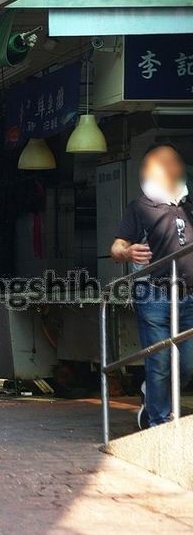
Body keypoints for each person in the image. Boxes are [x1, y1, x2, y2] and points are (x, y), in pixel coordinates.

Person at [111, 143, 193, 428]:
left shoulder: (188, 206)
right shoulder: (140, 207)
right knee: (159, 361)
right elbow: (116, 247)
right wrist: (127, 252)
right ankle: (158, 421)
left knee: (186, 364)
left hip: (189, 295)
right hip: (153, 294)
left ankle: (152, 396)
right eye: (164, 163)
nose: (172, 167)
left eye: (175, 161)